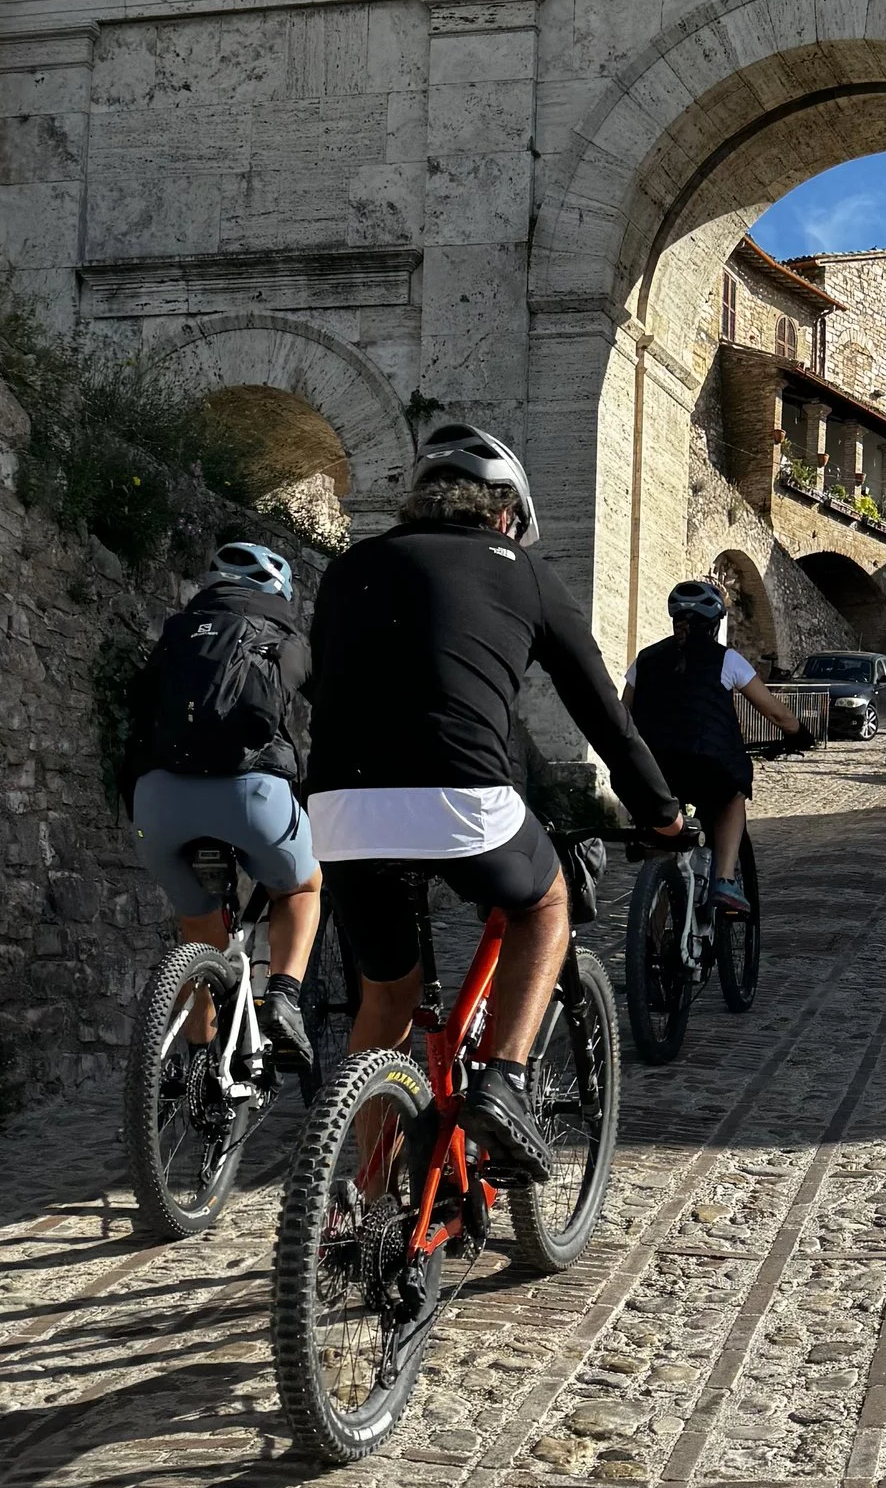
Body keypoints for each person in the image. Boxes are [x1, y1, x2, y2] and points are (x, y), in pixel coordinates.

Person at [304, 424, 688, 1173]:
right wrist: (661, 811)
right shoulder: (522, 570)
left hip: (340, 810)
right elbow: (602, 711)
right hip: (462, 798)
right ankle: (506, 1081)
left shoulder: (349, 565)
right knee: (543, 902)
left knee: (386, 998)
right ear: (506, 514)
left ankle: (373, 1196)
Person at [121, 539, 324, 1074]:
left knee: (199, 929)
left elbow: (137, 711)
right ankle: (283, 997)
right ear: (279, 592)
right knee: (301, 889)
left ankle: (196, 1067)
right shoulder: (285, 636)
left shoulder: (174, 635)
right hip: (250, 798)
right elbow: (331, 710)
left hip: (159, 802)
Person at [624, 579, 813, 914]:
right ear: (715, 624)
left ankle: (652, 944)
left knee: (662, 848)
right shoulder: (726, 659)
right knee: (733, 795)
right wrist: (800, 735)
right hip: (706, 764)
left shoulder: (645, 660)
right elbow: (774, 712)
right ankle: (724, 880)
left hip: (651, 769)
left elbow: (624, 714)